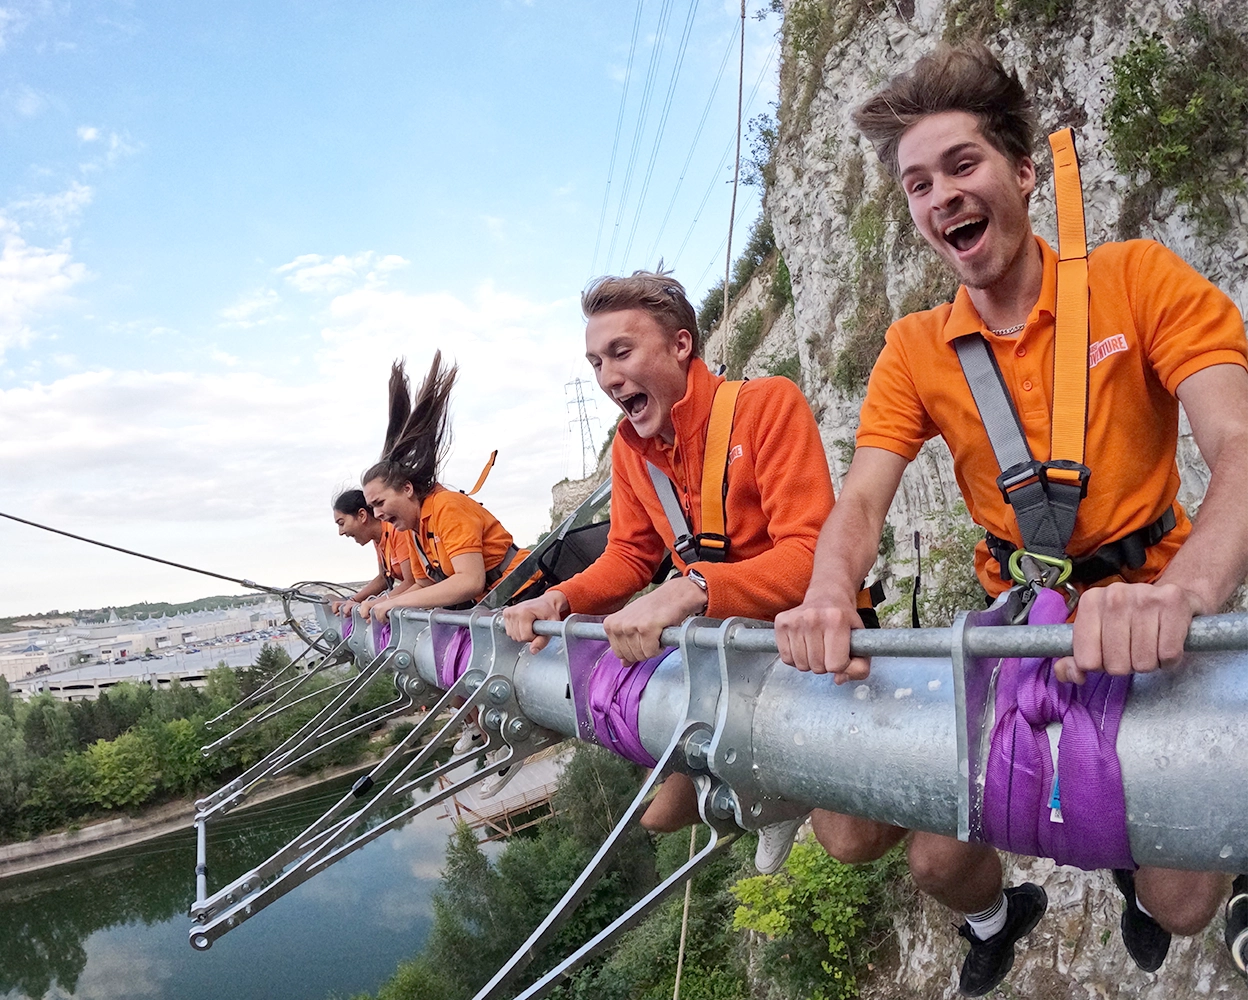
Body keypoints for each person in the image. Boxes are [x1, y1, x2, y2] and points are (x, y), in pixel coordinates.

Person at [774, 43, 1248, 996]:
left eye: (962, 165)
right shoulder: (915, 350)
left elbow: (1238, 443)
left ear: (1023, 173)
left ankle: (1130, 871)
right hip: (1017, 624)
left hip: (1149, 597)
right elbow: (862, 500)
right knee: (937, 864)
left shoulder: (1137, 281)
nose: (941, 195)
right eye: (918, 184)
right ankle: (1002, 915)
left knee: (1182, 900)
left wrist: (1185, 593)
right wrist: (830, 595)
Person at [502, 270, 838, 874]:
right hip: (714, 645)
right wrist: (558, 599)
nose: (606, 377)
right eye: (596, 361)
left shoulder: (765, 407)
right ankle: (742, 770)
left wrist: (694, 587)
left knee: (851, 841)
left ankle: (770, 781)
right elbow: (630, 555)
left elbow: (810, 554)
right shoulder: (634, 448)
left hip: (791, 635)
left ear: (681, 345)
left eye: (620, 352)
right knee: (658, 818)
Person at [361, 353, 534, 795]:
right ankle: (483, 728)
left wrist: (393, 601)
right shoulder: (415, 528)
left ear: (407, 489)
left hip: (523, 596)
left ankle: (507, 735)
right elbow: (423, 583)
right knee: (442, 654)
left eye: (381, 504)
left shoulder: (448, 510)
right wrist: (384, 602)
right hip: (492, 608)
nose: (378, 514)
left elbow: (467, 581)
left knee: (470, 658)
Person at [329, 489, 417, 616]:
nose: (341, 532)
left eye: (342, 523)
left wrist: (377, 604)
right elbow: (383, 578)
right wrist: (352, 601)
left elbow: (411, 581)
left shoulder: (397, 531)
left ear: (362, 515)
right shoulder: (378, 539)